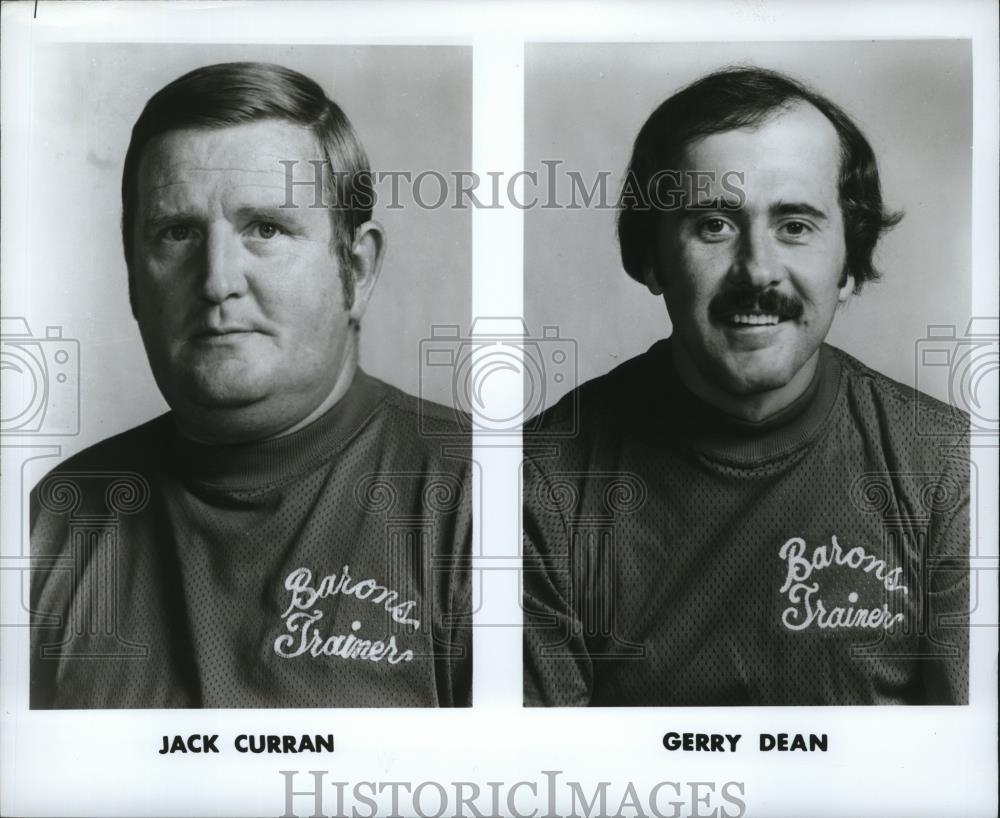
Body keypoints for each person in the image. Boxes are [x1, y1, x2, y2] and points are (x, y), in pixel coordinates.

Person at [523, 67, 970, 706]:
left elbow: (973, 773)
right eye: (714, 225)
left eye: (795, 225)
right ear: (652, 258)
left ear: (849, 262)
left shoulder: (953, 470)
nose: (758, 269)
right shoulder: (538, 485)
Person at [30, 62, 471, 708]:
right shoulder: (52, 522)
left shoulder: (488, 505)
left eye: (265, 229)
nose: (216, 280)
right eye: (177, 234)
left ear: (357, 267)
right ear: (132, 275)